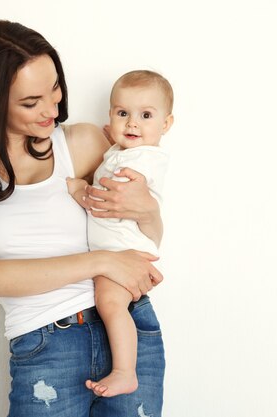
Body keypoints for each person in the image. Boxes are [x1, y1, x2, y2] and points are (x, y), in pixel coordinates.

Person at [0, 20, 166, 416]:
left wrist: (149, 210)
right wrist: (103, 262)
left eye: (54, 88)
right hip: (45, 345)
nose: (52, 109)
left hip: (128, 324)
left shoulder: (86, 142)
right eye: (30, 101)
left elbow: (141, 232)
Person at [67, 70, 174, 398]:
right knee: (108, 303)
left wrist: (80, 192)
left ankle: (125, 371)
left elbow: (111, 197)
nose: (132, 124)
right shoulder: (123, 153)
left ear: (166, 125)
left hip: (124, 252)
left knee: (110, 303)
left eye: (145, 115)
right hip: (118, 250)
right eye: (122, 113)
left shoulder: (145, 158)